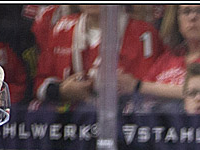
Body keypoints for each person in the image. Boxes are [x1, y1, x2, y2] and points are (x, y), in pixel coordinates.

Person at [34, 5, 163, 109]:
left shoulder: (144, 33)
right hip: (72, 127)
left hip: (121, 125)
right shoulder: (61, 28)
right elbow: (40, 84)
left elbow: (150, 92)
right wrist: (61, 91)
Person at [134, 5, 200, 110]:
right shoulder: (169, 56)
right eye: (186, 11)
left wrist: (137, 86)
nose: (192, 17)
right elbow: (146, 86)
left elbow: (195, 93)